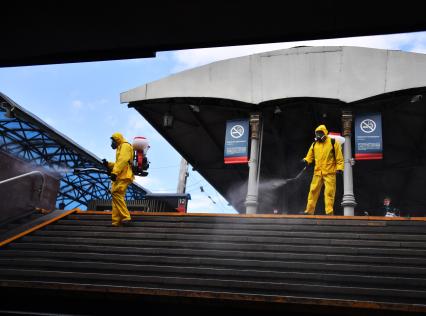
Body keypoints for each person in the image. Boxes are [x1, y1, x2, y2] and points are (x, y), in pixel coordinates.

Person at [302, 125, 344, 215]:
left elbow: (339, 158)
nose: (318, 135)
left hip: (329, 172)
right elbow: (310, 156)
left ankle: (329, 212)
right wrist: (306, 161)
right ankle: (309, 211)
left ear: (324, 133)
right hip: (318, 172)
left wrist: (340, 168)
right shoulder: (314, 144)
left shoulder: (333, 142)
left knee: (329, 193)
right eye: (317, 133)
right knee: (313, 191)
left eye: (320, 133)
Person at [102, 132, 134, 226]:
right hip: (121, 175)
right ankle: (116, 221)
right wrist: (108, 164)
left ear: (117, 140)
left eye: (113, 141)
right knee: (116, 197)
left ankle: (126, 217)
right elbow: (118, 162)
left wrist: (114, 172)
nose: (112, 144)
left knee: (115, 193)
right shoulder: (120, 148)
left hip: (124, 175)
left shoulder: (125, 146)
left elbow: (123, 160)